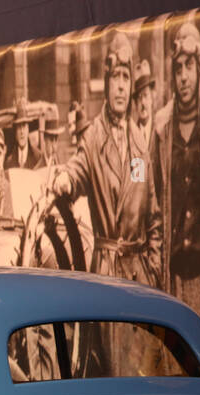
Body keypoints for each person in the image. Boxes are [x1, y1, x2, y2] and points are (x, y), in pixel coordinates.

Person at [51, 29, 161, 288]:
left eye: (126, 77)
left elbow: (153, 217)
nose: (121, 86)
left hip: (138, 275)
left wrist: (153, 268)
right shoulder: (93, 138)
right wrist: (65, 178)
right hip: (106, 272)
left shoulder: (139, 143)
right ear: (107, 83)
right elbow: (77, 169)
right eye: (115, 78)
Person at [153, 20, 200, 336]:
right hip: (174, 278)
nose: (183, 76)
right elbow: (156, 202)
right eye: (177, 69)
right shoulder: (162, 129)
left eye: (189, 66)